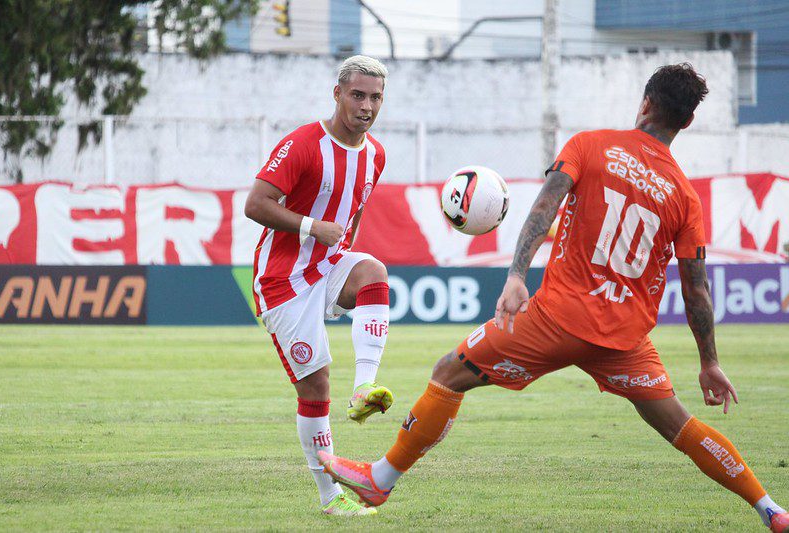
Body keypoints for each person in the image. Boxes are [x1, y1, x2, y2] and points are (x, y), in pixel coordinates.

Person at [318, 63, 789, 531]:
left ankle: (380, 478)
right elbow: (696, 289)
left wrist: (517, 275)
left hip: (556, 321)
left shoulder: (592, 144)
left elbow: (546, 205)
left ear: (645, 103)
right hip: (625, 341)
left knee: (449, 373)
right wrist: (708, 362)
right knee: (681, 428)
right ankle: (769, 508)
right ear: (686, 122)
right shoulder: (685, 198)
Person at [244, 55, 393, 516]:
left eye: (375, 97)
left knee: (374, 273)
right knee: (315, 387)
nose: (366, 106)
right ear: (338, 94)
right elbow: (255, 204)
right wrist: (311, 226)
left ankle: (365, 389)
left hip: (328, 266)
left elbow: (355, 217)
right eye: (358, 95)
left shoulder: (376, 155)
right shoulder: (304, 143)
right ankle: (331, 498)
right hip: (282, 279)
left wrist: (341, 250)